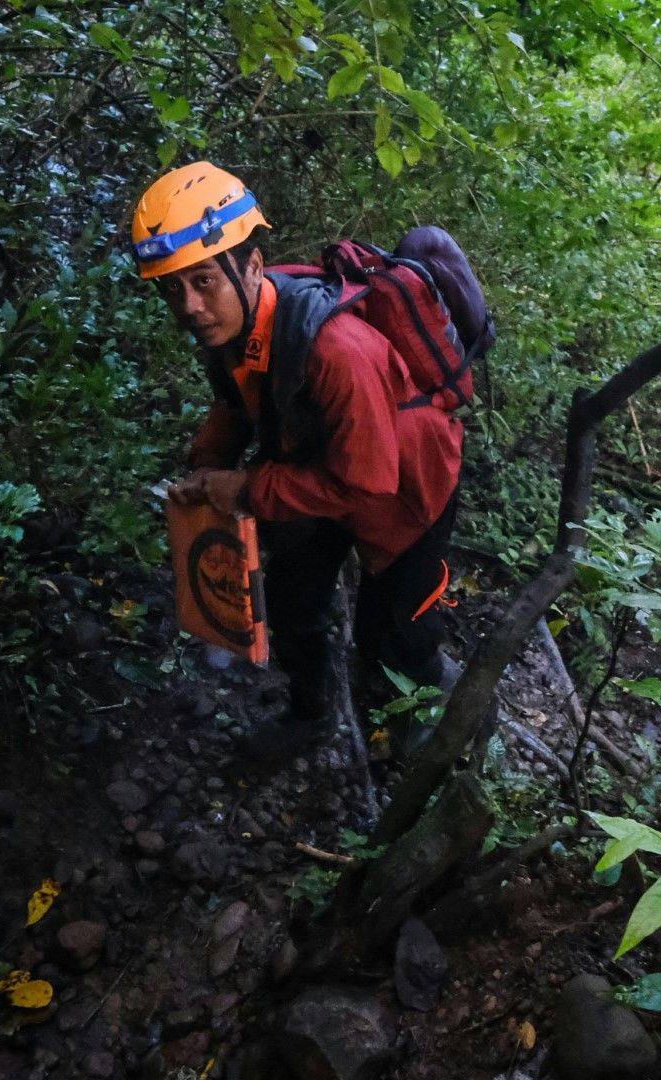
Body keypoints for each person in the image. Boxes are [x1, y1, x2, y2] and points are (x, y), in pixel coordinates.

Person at [134, 161, 467, 758]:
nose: (189, 305)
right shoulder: (235, 323)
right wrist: (207, 464)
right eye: (172, 288)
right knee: (292, 597)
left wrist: (246, 489)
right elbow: (235, 401)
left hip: (407, 486)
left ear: (252, 266)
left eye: (203, 281)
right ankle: (311, 715)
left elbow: (368, 483)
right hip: (312, 464)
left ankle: (436, 731)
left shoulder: (339, 350)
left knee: (394, 633)